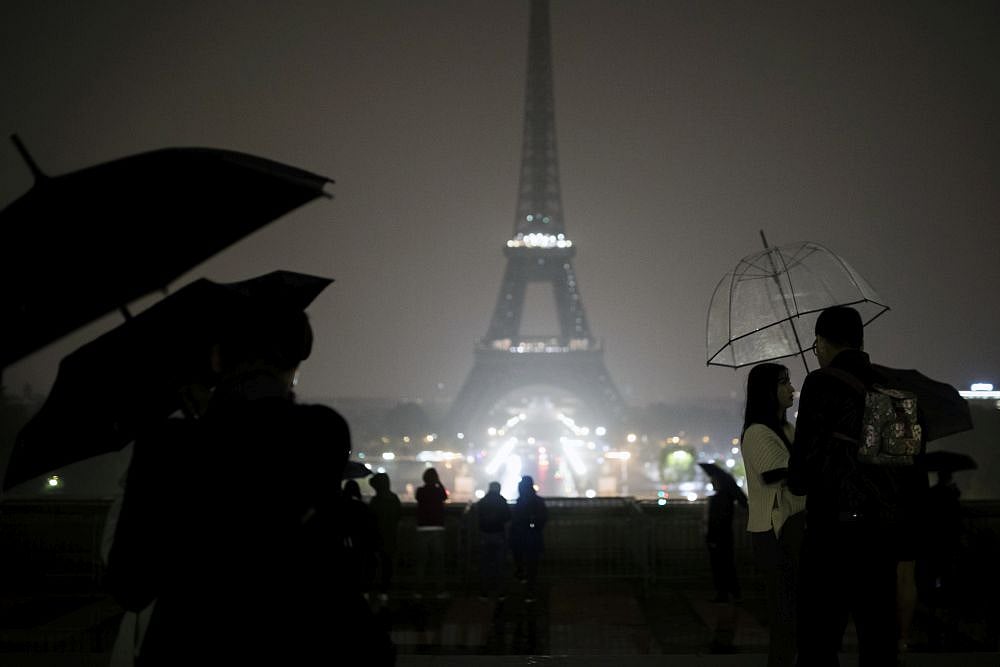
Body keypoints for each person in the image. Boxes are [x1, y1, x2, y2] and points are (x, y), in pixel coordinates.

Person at [104, 299, 395, 665]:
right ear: (296, 357)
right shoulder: (321, 433)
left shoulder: (168, 448)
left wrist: (195, 428)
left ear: (217, 359)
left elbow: (130, 586)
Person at [787, 305, 902, 666]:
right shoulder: (887, 385)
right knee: (878, 640)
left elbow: (803, 469)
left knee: (818, 641)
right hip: (880, 532)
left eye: (815, 346)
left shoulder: (820, 383)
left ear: (822, 342)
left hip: (831, 531)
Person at [740, 363, 806, 667]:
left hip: (790, 527)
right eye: (783, 383)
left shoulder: (789, 430)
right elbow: (778, 473)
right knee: (784, 613)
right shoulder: (756, 433)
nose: (791, 388)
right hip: (772, 531)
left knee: (794, 612)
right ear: (767, 391)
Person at [701, 463, 748, 604]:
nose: (711, 482)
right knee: (727, 564)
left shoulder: (718, 500)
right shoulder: (727, 497)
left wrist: (711, 537)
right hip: (725, 535)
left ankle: (724, 593)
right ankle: (732, 592)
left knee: (720, 565)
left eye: (713, 480)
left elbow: (716, 520)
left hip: (718, 536)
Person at [509, 475, 548, 602]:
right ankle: (530, 591)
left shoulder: (520, 502)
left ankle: (521, 581)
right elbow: (542, 519)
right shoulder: (538, 501)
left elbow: (515, 521)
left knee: (521, 563)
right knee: (532, 566)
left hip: (520, 538)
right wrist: (532, 525)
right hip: (533, 537)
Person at [342, 478, 380, 598]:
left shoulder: (342, 506)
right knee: (360, 567)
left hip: (347, 541)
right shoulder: (362, 507)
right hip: (361, 542)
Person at [414, 467, 449, 598]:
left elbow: (418, 499)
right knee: (438, 562)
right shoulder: (439, 491)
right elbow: (445, 496)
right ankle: (440, 591)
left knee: (421, 562)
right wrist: (439, 482)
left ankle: (418, 591)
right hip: (437, 528)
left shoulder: (420, 491)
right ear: (435, 479)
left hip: (422, 528)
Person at [368, 472, 402, 601]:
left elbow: (370, 519)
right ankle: (384, 591)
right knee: (387, 565)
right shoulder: (394, 498)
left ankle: (369, 590)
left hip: (376, 537)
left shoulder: (375, 501)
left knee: (373, 565)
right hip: (390, 536)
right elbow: (398, 515)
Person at [476, 480, 511, 600]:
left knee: (485, 564)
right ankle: (500, 592)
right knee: (500, 565)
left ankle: (484, 592)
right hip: (499, 535)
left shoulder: (482, 502)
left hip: (484, 535)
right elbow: (507, 518)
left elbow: (478, 518)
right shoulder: (502, 501)